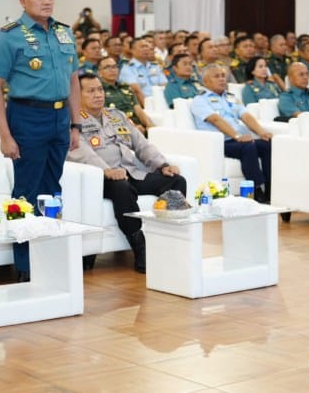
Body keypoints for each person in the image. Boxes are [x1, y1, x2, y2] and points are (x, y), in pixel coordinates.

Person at [0, 0, 80, 283]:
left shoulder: (64, 33)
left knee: (53, 188)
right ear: (22, 0)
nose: (47, 1)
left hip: (59, 118)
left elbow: (73, 80)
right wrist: (4, 135)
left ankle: (49, 255)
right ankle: (25, 265)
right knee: (25, 191)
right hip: (26, 116)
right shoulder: (10, 37)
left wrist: (76, 123)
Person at [67, 73, 186, 273]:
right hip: (101, 179)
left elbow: (142, 145)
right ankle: (140, 247)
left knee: (175, 180)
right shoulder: (72, 121)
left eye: (100, 89)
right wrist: (107, 171)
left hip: (131, 173)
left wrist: (162, 164)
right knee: (121, 187)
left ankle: (169, 239)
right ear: (77, 95)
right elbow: (83, 153)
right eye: (91, 91)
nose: (98, 95)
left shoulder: (117, 116)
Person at [191, 64, 273, 203]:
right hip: (222, 142)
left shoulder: (230, 97)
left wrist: (261, 132)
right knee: (249, 147)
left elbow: (246, 116)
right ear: (205, 81)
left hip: (239, 139)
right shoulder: (200, 100)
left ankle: (271, 189)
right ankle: (256, 190)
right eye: (216, 76)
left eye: (223, 76)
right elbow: (215, 120)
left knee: (267, 145)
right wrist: (236, 136)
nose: (222, 79)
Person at [98, 57, 153, 135]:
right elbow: (107, 116)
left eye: (114, 67)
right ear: (99, 72)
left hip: (139, 127)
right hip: (118, 129)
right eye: (107, 67)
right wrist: (132, 128)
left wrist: (149, 125)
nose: (112, 70)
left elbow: (137, 108)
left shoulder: (125, 87)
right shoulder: (99, 91)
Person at [118, 38, 167, 107]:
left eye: (146, 46)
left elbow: (164, 85)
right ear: (132, 50)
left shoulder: (155, 67)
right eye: (142, 47)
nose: (146, 49)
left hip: (162, 104)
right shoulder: (127, 69)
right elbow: (137, 92)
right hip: (144, 107)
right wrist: (149, 108)